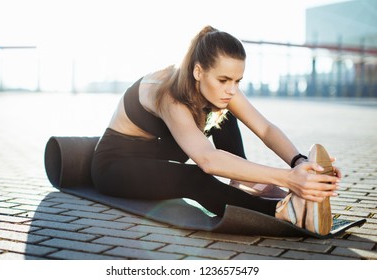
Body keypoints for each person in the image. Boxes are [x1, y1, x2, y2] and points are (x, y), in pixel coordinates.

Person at [91, 26, 341, 235]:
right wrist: (288, 179)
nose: (232, 90)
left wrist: (299, 163)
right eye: (224, 80)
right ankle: (285, 211)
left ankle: (245, 181)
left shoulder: (220, 88)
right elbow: (208, 161)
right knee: (196, 178)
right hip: (118, 165)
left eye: (237, 81)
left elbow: (264, 128)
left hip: (162, 153)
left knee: (224, 113)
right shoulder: (167, 92)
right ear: (198, 71)